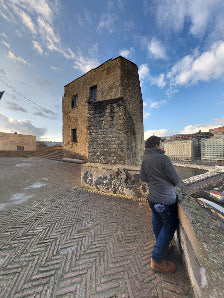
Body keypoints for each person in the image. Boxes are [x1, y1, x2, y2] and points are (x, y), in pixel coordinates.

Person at [140, 135, 179, 273]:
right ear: (157, 145)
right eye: (161, 144)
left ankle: (164, 246)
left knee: (157, 221)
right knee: (170, 224)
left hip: (153, 198)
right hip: (166, 199)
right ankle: (156, 260)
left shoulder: (145, 159)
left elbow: (144, 178)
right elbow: (175, 180)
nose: (162, 147)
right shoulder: (164, 159)